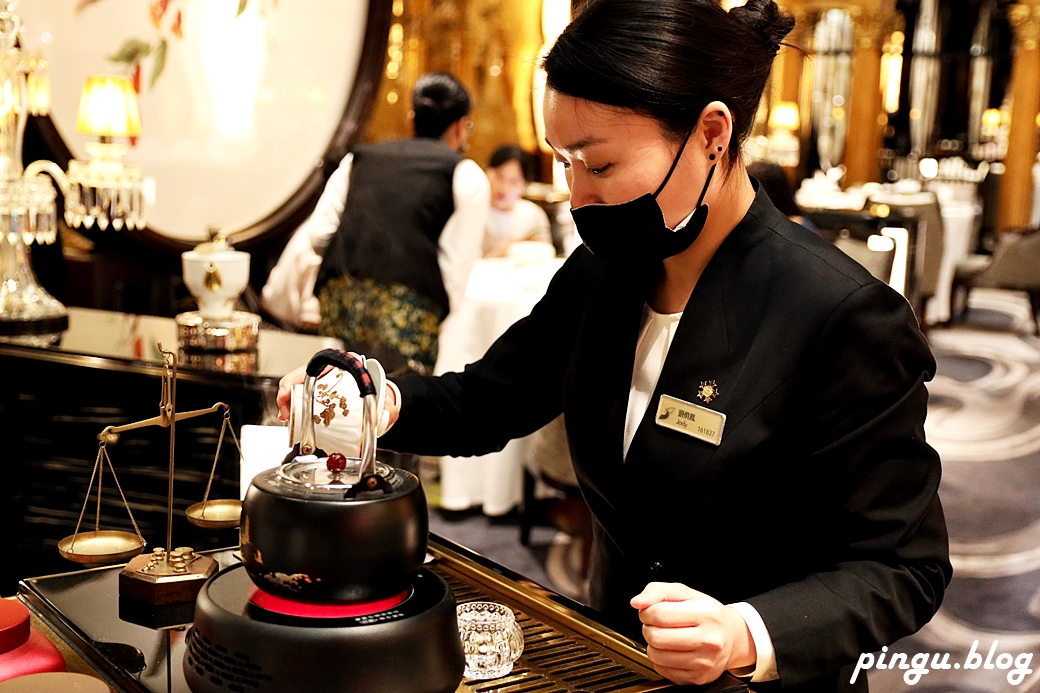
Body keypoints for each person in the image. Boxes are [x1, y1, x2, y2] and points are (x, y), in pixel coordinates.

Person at [278, 1, 950, 690]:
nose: (577, 196)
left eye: (599, 164)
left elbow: (902, 565)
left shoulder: (841, 315)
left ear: (711, 135)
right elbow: (486, 399)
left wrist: (746, 629)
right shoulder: (604, 273)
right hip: (611, 659)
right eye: (564, 162)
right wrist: (380, 399)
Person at [263, 72, 490, 372]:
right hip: (409, 316)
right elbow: (454, 271)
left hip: (340, 305)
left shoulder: (359, 159)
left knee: (340, 391)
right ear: (461, 127)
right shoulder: (466, 174)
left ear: (412, 118)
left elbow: (320, 234)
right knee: (397, 402)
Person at [483, 144, 553, 257]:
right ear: (487, 171)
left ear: (525, 184)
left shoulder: (533, 215)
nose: (504, 187)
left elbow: (546, 255)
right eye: (499, 176)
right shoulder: (474, 212)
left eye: (514, 181)